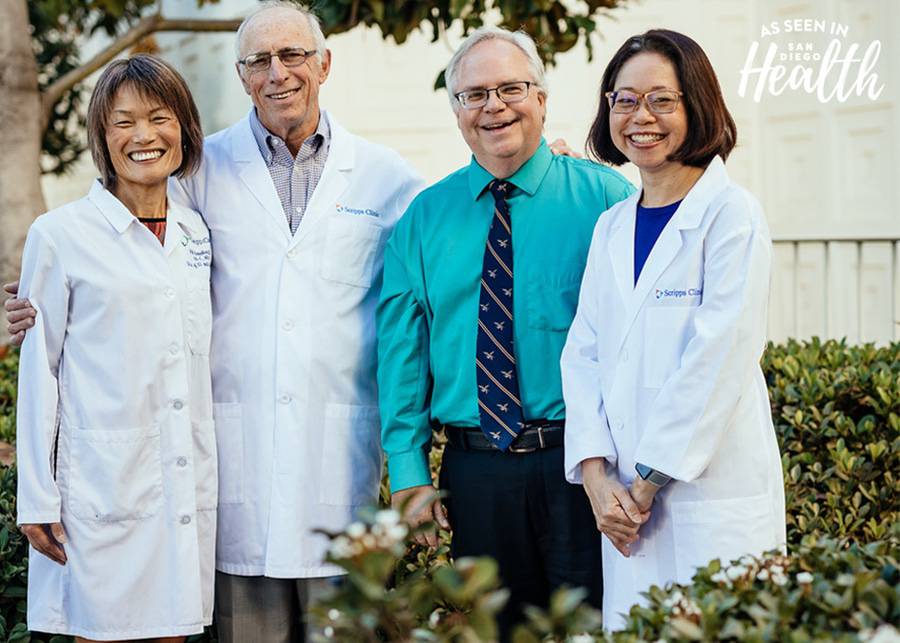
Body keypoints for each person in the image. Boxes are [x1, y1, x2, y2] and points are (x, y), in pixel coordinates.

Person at [7, 3, 422, 641]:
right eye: (259, 60)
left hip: (337, 466)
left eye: (293, 56)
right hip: (231, 478)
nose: (278, 73)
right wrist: (27, 305)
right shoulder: (199, 174)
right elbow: (117, 246)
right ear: (241, 75)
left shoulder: (386, 177)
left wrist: (532, 165)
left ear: (325, 64)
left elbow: (443, 250)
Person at [377, 26, 634, 638]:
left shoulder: (607, 199)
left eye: (511, 88)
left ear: (541, 98)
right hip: (477, 474)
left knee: (594, 628)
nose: (494, 106)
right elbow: (401, 357)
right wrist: (409, 473)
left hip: (586, 464)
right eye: (473, 94)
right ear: (457, 111)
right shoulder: (423, 219)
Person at [560, 29, 787, 630]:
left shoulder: (731, 215)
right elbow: (582, 355)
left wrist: (643, 488)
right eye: (624, 100)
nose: (641, 117)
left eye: (662, 99)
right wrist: (595, 478)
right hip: (622, 507)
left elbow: (719, 358)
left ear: (698, 105)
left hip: (706, 499)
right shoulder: (611, 225)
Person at [15, 55, 215, 642]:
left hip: (182, 479)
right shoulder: (59, 235)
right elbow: (38, 372)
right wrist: (35, 496)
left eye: (160, 117)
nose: (144, 136)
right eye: (123, 122)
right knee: (103, 631)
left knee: (173, 632)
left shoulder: (196, 231)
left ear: (184, 127)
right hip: (100, 487)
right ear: (103, 137)